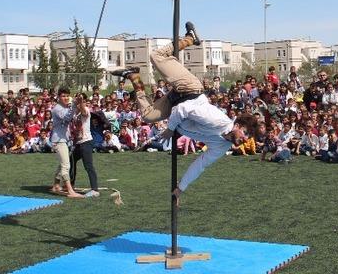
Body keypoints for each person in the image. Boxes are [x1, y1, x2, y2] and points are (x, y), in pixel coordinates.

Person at [113, 22, 259, 203]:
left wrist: (181, 188)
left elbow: (200, 165)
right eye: (245, 133)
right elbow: (184, 109)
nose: (245, 139)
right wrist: (170, 129)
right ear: (237, 125)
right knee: (156, 55)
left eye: (248, 137)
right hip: (188, 89)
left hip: (177, 101)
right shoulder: (218, 121)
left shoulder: (222, 147)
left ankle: (134, 76)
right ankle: (190, 39)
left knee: (148, 116)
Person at [49, 87, 84, 198]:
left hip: (63, 140)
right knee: (66, 166)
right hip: (58, 141)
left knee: (62, 164)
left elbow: (72, 115)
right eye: (63, 96)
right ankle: (70, 191)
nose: (65, 98)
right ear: (58, 97)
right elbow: (67, 117)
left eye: (67, 96)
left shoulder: (64, 107)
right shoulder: (57, 108)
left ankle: (55, 185)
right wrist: (74, 104)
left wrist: (77, 104)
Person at [69, 94, 99, 198]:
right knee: (71, 160)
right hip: (78, 143)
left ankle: (95, 189)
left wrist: (81, 101)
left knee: (88, 166)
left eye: (80, 100)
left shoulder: (85, 110)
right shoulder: (75, 113)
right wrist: (75, 101)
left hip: (86, 142)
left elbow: (82, 109)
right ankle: (70, 185)